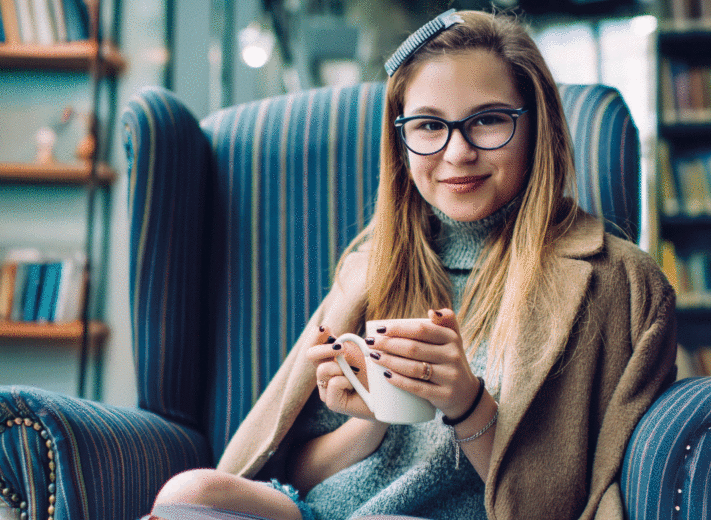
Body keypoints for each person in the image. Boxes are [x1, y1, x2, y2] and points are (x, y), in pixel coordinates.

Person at [148, 8, 677, 520]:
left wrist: (468, 405)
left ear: (539, 127)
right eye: (428, 126)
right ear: (401, 141)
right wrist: (371, 423)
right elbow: (295, 473)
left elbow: (560, 503)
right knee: (188, 490)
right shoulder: (371, 266)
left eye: (489, 121)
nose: (457, 152)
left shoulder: (616, 282)